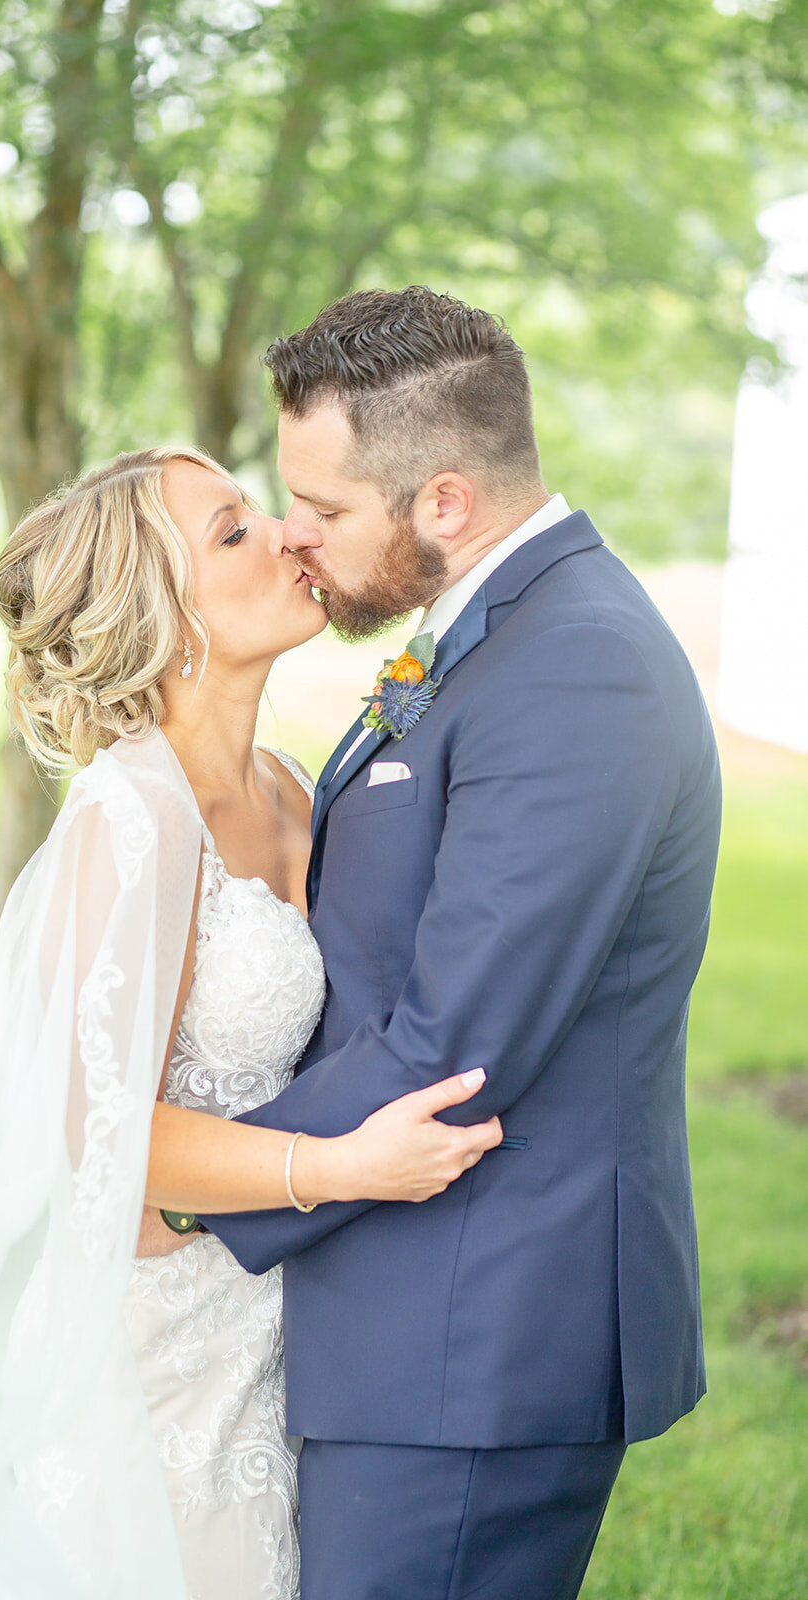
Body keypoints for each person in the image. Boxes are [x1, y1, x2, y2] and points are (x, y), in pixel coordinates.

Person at [0, 444, 500, 1600]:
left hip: (283, 1323)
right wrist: (347, 1166)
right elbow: (106, 1149)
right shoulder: (130, 821)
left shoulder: (294, 784)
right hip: (161, 1365)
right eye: (233, 531)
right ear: (165, 612)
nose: (291, 535)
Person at [202, 288, 723, 1600]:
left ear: (439, 502)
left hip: (474, 1328)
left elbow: (456, 1043)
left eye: (320, 510)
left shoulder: (575, 668)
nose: (293, 538)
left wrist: (185, 1187)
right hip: (405, 1307)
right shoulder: (493, 636)